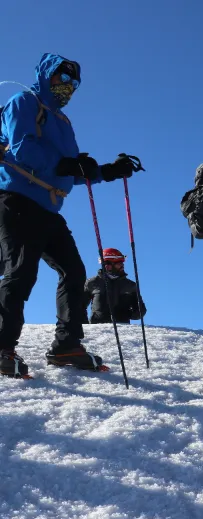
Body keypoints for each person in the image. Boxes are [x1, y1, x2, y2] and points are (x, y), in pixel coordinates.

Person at [0, 53, 139, 378]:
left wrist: (106, 171)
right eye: (63, 78)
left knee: (74, 272)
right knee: (21, 272)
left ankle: (66, 346)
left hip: (48, 209)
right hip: (17, 199)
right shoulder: (24, 102)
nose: (69, 86)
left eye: (74, 83)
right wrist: (68, 165)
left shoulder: (63, 122)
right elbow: (23, 148)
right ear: (47, 75)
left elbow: (71, 171)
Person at [83, 247, 146, 324]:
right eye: (119, 263)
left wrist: (126, 314)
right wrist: (85, 325)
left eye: (122, 263)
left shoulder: (130, 285)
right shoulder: (92, 282)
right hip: (97, 328)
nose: (122, 265)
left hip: (122, 328)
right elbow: (79, 307)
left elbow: (140, 311)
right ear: (107, 265)